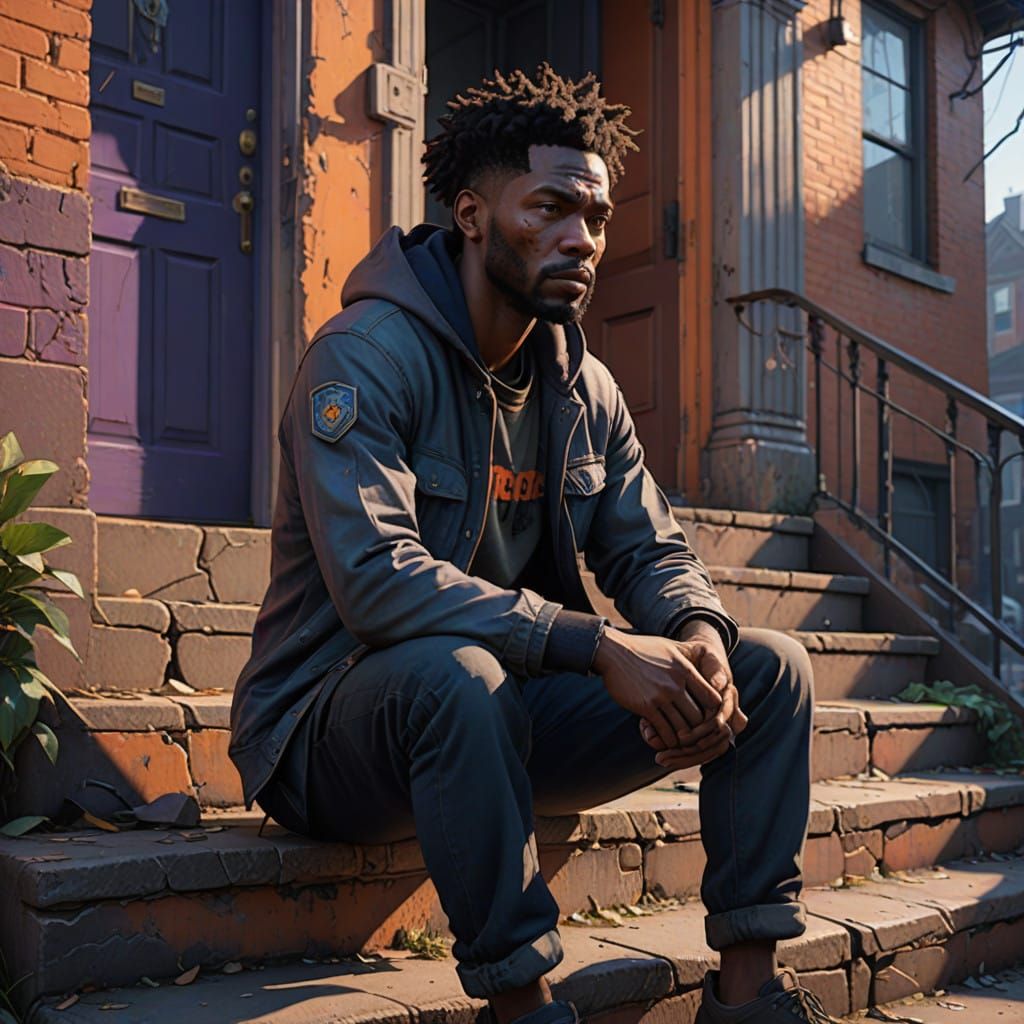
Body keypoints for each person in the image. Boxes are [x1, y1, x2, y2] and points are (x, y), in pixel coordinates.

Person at [230, 64, 830, 1024]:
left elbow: (649, 544)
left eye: (594, 217)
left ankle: (750, 996)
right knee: (460, 676)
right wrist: (594, 644)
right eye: (549, 208)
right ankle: (523, 1006)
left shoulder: (582, 385)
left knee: (771, 668)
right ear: (472, 214)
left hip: (505, 721)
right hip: (328, 734)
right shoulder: (365, 356)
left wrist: (698, 630)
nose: (581, 240)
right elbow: (379, 583)